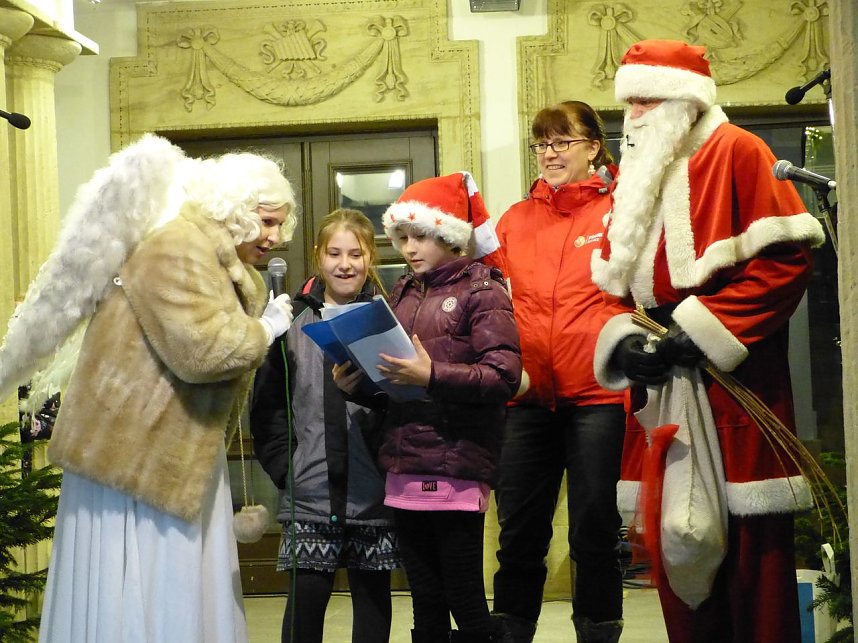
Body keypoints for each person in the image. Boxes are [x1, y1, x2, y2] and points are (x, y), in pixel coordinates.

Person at [0, 136, 297, 643]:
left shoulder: (212, 255)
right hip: (134, 459)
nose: (276, 236)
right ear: (236, 209)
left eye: (280, 223)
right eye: (267, 220)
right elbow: (201, 352)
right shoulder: (177, 245)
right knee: (148, 590)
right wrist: (265, 329)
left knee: (172, 588)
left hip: (168, 452)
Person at [590, 40, 826, 643]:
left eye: (648, 99)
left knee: (751, 560)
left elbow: (785, 262)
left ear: (684, 101)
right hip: (662, 394)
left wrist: (696, 333)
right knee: (678, 550)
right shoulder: (636, 174)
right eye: (629, 102)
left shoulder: (738, 151)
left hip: (734, 388)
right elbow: (616, 285)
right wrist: (623, 342)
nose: (635, 114)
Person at [335, 172, 522, 643]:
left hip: (456, 460)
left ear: (449, 236)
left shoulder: (484, 291)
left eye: (420, 236)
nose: (410, 248)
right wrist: (354, 386)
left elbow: (504, 376)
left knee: (464, 595)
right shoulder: (401, 293)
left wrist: (432, 375)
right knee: (424, 597)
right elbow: (393, 386)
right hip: (404, 462)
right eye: (402, 237)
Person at [491, 101, 628, 643]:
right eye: (541, 143)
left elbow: (640, 293)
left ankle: (597, 629)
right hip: (525, 400)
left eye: (561, 142)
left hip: (597, 396)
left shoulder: (621, 212)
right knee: (519, 532)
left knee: (593, 531)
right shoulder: (514, 220)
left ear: (593, 146)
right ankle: (510, 631)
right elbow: (490, 302)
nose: (548, 153)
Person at [250, 208, 402, 643]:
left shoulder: (389, 316)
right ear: (319, 256)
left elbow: (403, 403)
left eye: (355, 253)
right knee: (304, 613)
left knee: (373, 610)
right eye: (334, 253)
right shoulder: (291, 319)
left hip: (373, 491)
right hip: (310, 491)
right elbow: (268, 408)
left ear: (370, 256)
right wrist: (286, 468)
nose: (345, 263)